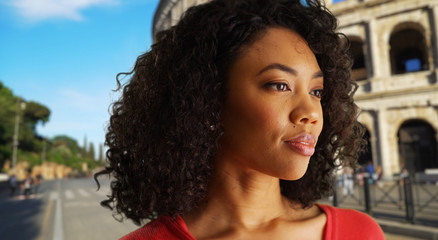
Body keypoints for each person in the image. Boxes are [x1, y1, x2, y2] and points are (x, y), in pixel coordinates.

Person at [95, 0, 385, 239]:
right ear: (208, 100)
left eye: (317, 91)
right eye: (280, 85)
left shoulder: (359, 232)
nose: (310, 112)